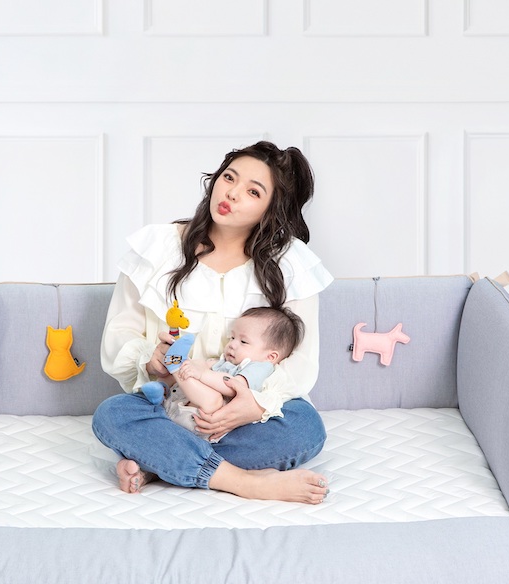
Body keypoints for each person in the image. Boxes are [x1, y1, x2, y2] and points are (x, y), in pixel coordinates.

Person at [91, 140, 334, 504]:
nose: (232, 193)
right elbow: (119, 332)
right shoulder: (156, 247)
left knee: (305, 426)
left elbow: (301, 362)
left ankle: (160, 463)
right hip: (170, 406)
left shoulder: (291, 264)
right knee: (113, 414)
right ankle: (245, 482)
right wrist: (150, 359)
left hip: (247, 418)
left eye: (253, 191)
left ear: (271, 208)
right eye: (229, 178)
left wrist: (253, 405)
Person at [141, 306, 304, 443]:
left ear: (271, 356)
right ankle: (161, 390)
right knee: (185, 368)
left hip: (206, 420)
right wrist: (193, 364)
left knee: (214, 399)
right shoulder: (226, 362)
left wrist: (201, 374)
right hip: (182, 408)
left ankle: (175, 367)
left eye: (243, 341)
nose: (232, 344)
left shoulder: (260, 367)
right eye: (232, 337)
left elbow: (233, 386)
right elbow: (203, 365)